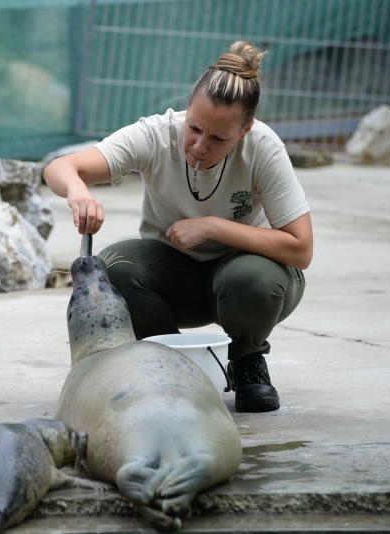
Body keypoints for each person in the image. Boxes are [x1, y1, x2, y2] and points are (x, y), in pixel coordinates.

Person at [44, 41, 312, 413]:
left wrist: (214, 227)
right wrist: (77, 191)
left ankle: (248, 361)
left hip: (250, 279)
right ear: (187, 107)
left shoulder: (263, 148)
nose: (200, 146)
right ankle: (174, 364)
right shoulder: (156, 136)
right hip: (176, 278)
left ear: (245, 129)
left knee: (250, 279)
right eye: (195, 128)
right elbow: (60, 168)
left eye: (218, 138)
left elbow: (301, 249)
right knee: (115, 267)